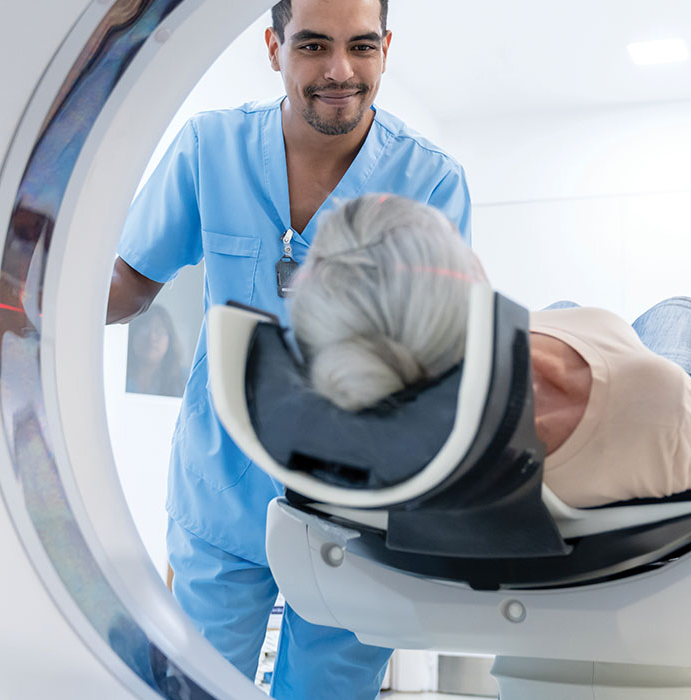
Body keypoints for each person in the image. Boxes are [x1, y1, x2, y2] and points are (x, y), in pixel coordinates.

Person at [107, 0, 472, 696]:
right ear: (274, 46)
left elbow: (440, 355)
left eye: (361, 47)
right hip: (223, 493)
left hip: (359, 511)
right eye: (312, 46)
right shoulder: (209, 149)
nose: (340, 71)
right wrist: (17, 296)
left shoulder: (430, 182)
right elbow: (126, 285)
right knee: (196, 687)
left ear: (386, 47)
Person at [290, 193, 691, 508]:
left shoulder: (367, 459)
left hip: (564, 385)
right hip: (636, 409)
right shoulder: (662, 403)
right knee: (682, 311)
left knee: (564, 308)